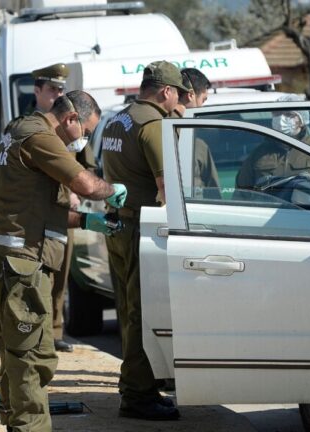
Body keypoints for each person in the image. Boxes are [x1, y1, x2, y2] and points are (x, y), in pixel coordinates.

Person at [0, 90, 126, 432]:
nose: (85, 140)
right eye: (86, 132)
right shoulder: (41, 137)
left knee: (24, 350)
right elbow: (84, 184)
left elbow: (38, 206)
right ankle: (29, 426)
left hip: (16, 255)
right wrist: (111, 190)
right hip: (20, 259)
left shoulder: (21, 130)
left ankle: (16, 418)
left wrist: (87, 222)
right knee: (31, 354)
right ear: (70, 119)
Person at [101, 60, 189, 421]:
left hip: (119, 225)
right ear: (166, 91)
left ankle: (137, 385)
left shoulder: (118, 119)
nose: (179, 100)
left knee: (128, 311)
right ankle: (138, 395)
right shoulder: (152, 125)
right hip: (141, 228)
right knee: (141, 315)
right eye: (177, 94)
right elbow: (166, 187)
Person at [28, 63, 96, 353]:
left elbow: (86, 165)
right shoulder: (31, 127)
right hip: (38, 212)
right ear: (38, 91)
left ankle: (55, 330)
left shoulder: (74, 127)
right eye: (52, 89)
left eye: (61, 89)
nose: (57, 93)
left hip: (66, 209)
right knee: (37, 276)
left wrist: (76, 191)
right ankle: (34, 332)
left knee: (61, 271)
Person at [236, 108, 310, 189]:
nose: (281, 118)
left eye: (288, 114)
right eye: (277, 113)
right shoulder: (259, 153)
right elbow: (242, 193)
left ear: (302, 120)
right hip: (269, 210)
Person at [172, 68, 221, 199]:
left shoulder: (156, 127)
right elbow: (214, 193)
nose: (202, 107)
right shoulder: (196, 145)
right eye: (203, 100)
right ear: (190, 95)